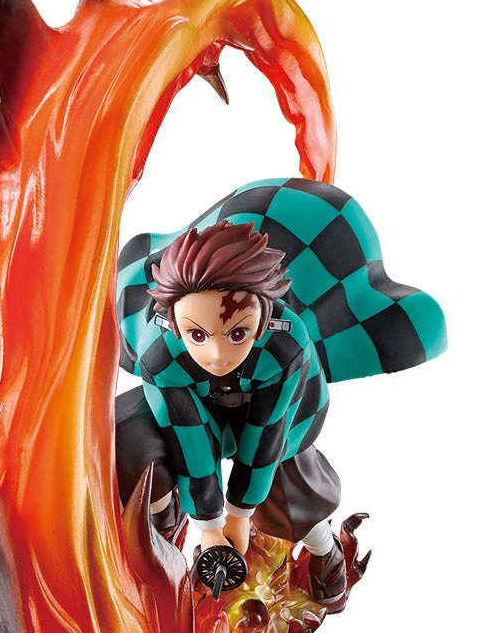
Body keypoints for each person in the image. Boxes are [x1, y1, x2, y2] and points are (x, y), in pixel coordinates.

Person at [114, 219, 347, 605]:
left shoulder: (286, 345)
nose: (218, 355)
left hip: (270, 415)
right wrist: (208, 522)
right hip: (195, 407)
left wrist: (239, 512)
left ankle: (323, 548)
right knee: (127, 442)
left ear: (265, 319)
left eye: (237, 333)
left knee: (288, 483)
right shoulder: (160, 352)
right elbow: (185, 430)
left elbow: (268, 431)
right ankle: (160, 516)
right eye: (198, 335)